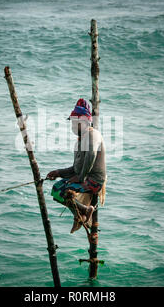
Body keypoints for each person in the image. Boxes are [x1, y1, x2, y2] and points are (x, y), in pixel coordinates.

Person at [47, 98, 106, 233]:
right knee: (56, 189)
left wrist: (80, 177)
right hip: (83, 177)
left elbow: (91, 155)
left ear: (85, 122)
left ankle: (83, 213)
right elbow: (75, 168)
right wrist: (58, 172)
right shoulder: (79, 142)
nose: (73, 125)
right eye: (73, 122)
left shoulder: (93, 135)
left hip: (93, 181)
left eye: (76, 122)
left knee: (64, 191)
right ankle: (83, 212)